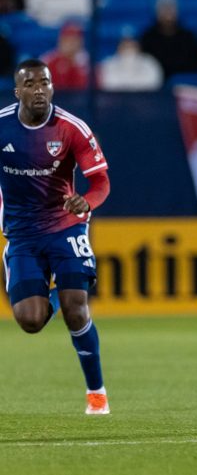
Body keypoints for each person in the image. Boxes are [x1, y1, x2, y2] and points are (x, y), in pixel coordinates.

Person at [0, 59, 111, 414]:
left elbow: (101, 182)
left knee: (77, 308)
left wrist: (86, 201)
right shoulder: (2, 126)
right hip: (22, 233)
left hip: (66, 224)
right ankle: (54, 296)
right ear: (18, 91)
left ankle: (97, 393)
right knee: (30, 321)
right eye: (30, 84)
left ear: (52, 86)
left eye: (45, 83)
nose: (39, 90)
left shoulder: (70, 128)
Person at [140, 0, 197, 82]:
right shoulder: (147, 38)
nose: (168, 13)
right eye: (164, 8)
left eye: (171, 8)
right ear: (157, 11)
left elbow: (196, 64)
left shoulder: (189, 38)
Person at [98, 35, 163, 91]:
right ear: (118, 48)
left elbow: (152, 85)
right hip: (116, 102)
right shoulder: (108, 64)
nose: (128, 48)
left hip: (143, 101)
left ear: (138, 47)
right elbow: (109, 85)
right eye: (125, 45)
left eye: (132, 45)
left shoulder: (150, 63)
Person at [41, 22, 89, 90]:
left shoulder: (87, 63)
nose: (70, 44)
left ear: (81, 42)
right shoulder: (49, 61)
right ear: (60, 41)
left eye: (74, 40)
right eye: (67, 40)